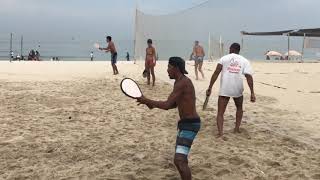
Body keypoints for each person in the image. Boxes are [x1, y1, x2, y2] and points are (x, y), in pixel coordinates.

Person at [137, 57, 200, 180]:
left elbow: (166, 104)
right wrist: (151, 104)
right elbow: (173, 105)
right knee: (181, 160)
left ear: (176, 68)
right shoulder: (179, 82)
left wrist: (147, 100)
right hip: (185, 124)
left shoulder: (183, 82)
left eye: (168, 67)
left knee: (179, 160)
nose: (167, 70)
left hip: (190, 124)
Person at [206, 43, 255, 138]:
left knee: (220, 112)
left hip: (225, 88)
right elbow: (249, 77)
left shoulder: (224, 58)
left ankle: (220, 133)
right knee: (239, 108)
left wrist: (210, 87)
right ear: (238, 50)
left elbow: (216, 73)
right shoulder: (244, 60)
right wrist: (252, 92)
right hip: (237, 88)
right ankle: (237, 129)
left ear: (231, 49)